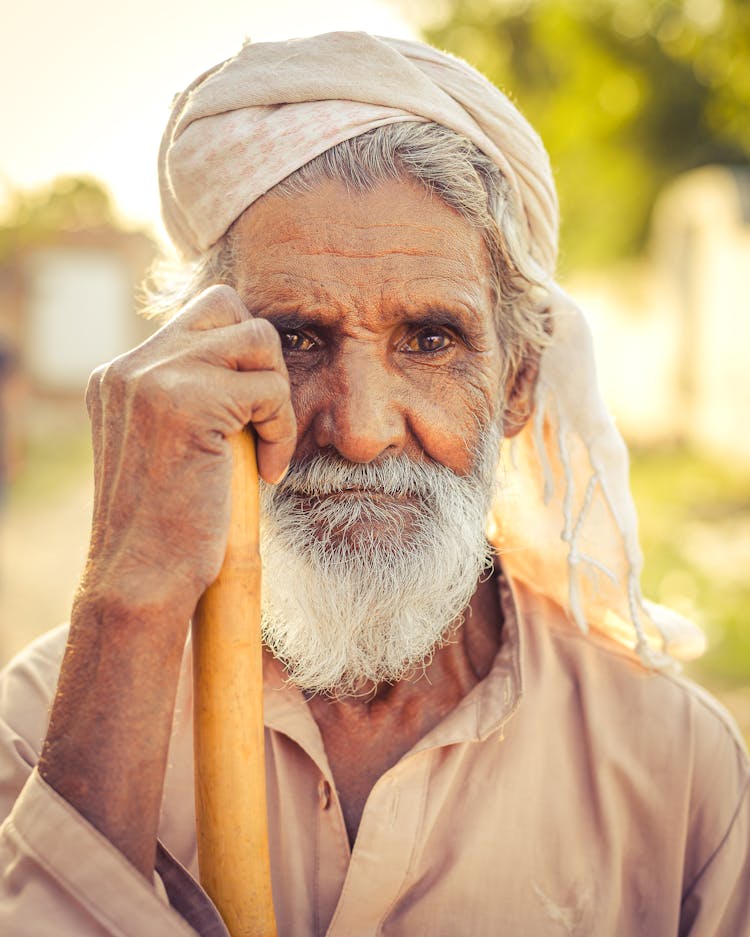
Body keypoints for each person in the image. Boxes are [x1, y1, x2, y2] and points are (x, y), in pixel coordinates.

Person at [0, 32, 748, 937]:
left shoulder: (677, 769)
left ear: (516, 384)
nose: (360, 432)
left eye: (430, 341)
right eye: (297, 339)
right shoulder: (51, 721)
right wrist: (127, 596)